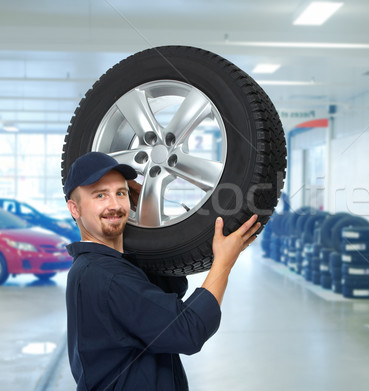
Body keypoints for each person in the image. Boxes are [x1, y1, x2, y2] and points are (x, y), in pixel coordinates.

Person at [63, 151, 260, 390]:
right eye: (100, 195)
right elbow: (188, 330)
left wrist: (148, 210)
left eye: (121, 193)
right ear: (75, 209)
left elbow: (167, 290)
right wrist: (224, 263)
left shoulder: (102, 266)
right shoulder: (106, 275)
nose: (114, 205)